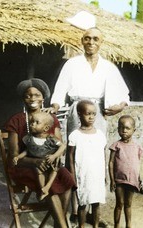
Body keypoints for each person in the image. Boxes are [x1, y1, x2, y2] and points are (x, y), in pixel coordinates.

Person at [45, 26, 130, 223]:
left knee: (96, 161)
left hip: (98, 112)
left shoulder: (109, 67)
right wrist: (55, 106)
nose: (91, 42)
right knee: (76, 159)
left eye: (95, 39)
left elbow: (125, 95)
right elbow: (60, 90)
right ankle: (76, 210)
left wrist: (119, 107)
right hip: (77, 110)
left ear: (101, 42)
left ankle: (94, 211)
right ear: (82, 41)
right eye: (87, 38)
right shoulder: (72, 64)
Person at [4, 78, 76, 228]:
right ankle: (63, 226)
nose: (32, 99)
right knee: (51, 186)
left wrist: (56, 158)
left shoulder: (51, 119)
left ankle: (59, 223)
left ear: (43, 98)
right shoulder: (16, 120)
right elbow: (13, 156)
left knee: (67, 178)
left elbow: (58, 146)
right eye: (28, 95)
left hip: (48, 163)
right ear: (23, 99)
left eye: (37, 95)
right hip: (24, 166)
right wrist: (34, 162)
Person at [68, 100, 107, 228]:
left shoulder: (100, 135)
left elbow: (103, 154)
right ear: (79, 114)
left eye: (94, 114)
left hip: (97, 174)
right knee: (82, 203)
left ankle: (95, 225)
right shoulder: (75, 135)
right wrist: (73, 176)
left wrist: (105, 174)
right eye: (88, 114)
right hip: (82, 174)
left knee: (96, 202)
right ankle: (82, 226)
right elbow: (70, 157)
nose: (91, 117)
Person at [12, 112, 66, 201]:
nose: (32, 124)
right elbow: (27, 151)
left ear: (46, 128)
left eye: (37, 122)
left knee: (54, 170)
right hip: (39, 164)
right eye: (31, 122)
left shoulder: (50, 138)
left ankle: (47, 186)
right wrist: (18, 157)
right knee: (38, 171)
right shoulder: (29, 138)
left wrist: (54, 156)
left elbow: (63, 146)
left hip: (50, 160)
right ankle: (43, 189)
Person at [108, 115, 143, 228]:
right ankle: (116, 225)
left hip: (132, 180)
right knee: (119, 204)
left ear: (134, 130)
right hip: (119, 180)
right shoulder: (116, 145)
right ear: (117, 129)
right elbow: (111, 163)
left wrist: (139, 178)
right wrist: (112, 180)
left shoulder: (137, 147)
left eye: (127, 128)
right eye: (121, 128)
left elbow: (137, 164)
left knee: (128, 204)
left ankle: (129, 225)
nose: (124, 131)